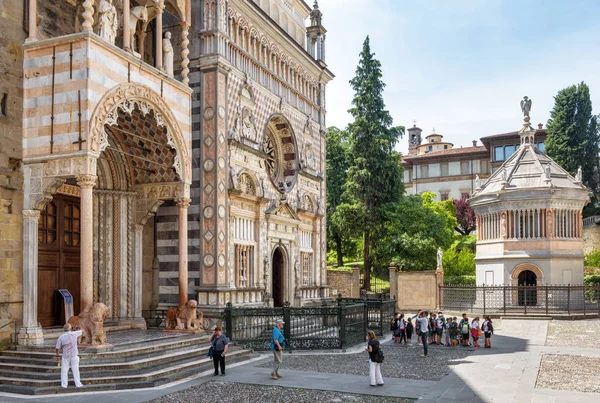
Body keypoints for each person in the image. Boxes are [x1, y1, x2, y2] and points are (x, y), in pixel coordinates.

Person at [55, 323, 83, 388]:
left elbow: (57, 348)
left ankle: (64, 384)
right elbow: (82, 330)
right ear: (70, 328)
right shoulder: (75, 334)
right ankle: (78, 383)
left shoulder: (61, 337)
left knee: (64, 371)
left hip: (65, 356)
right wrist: (78, 327)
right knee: (76, 370)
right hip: (74, 355)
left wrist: (57, 356)